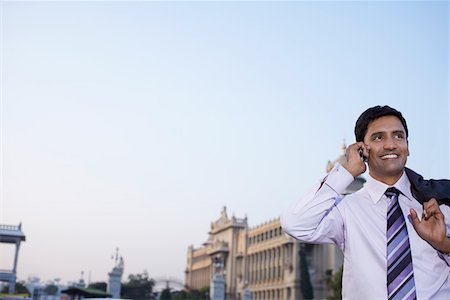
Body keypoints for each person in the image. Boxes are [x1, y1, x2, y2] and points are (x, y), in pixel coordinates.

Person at [281, 105, 450, 299]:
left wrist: (443, 244)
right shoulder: (346, 209)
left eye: (398, 136)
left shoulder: (438, 202)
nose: (390, 145)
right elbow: (295, 223)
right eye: (378, 137)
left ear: (407, 147)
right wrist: (346, 171)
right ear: (362, 149)